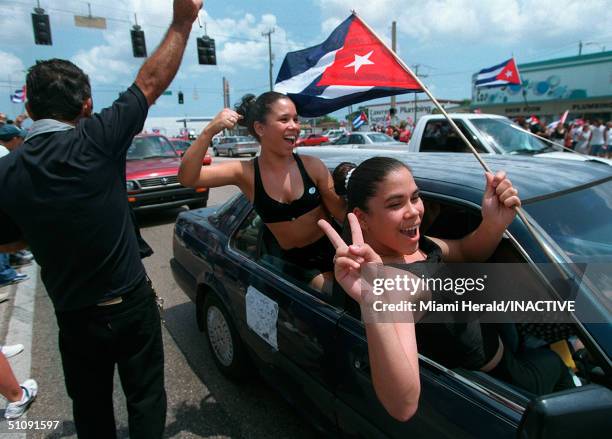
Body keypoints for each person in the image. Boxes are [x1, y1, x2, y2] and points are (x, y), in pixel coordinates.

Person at [0, 1, 203, 437]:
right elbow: (149, 82)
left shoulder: (6, 171)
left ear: (30, 111)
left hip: (74, 316)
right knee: (146, 398)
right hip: (130, 305)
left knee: (91, 407)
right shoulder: (99, 138)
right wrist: (183, 20)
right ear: (87, 104)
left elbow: (8, 242)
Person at [320, 157, 573, 409]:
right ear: (362, 219)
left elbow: (465, 252)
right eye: (396, 204)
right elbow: (402, 404)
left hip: (497, 335)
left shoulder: (414, 247)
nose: (414, 211)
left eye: (415, 197)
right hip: (500, 377)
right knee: (556, 365)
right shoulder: (390, 281)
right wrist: (375, 303)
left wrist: (494, 223)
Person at [179, 92, 346, 292]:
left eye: (296, 119)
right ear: (260, 128)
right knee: (336, 294)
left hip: (335, 251)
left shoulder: (312, 166)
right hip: (293, 265)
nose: (294, 126)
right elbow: (188, 177)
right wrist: (209, 131)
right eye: (284, 119)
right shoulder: (244, 173)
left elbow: (342, 214)